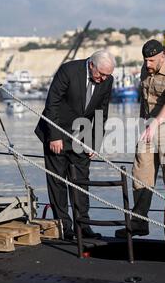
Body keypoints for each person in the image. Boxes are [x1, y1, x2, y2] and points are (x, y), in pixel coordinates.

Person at [35, 50, 115, 240]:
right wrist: (54, 136)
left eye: (107, 75)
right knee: (58, 182)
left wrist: (94, 143)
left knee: (81, 182)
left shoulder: (107, 80)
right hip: (56, 132)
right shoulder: (68, 71)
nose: (103, 79)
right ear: (91, 65)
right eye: (101, 74)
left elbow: (101, 113)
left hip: (82, 135)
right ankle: (64, 226)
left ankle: (83, 225)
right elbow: (52, 103)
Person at [116, 40, 165, 238]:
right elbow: (144, 100)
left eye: (152, 60)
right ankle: (139, 222)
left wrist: (155, 123)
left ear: (162, 56)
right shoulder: (145, 70)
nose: (148, 64)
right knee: (141, 171)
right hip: (148, 127)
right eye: (146, 60)